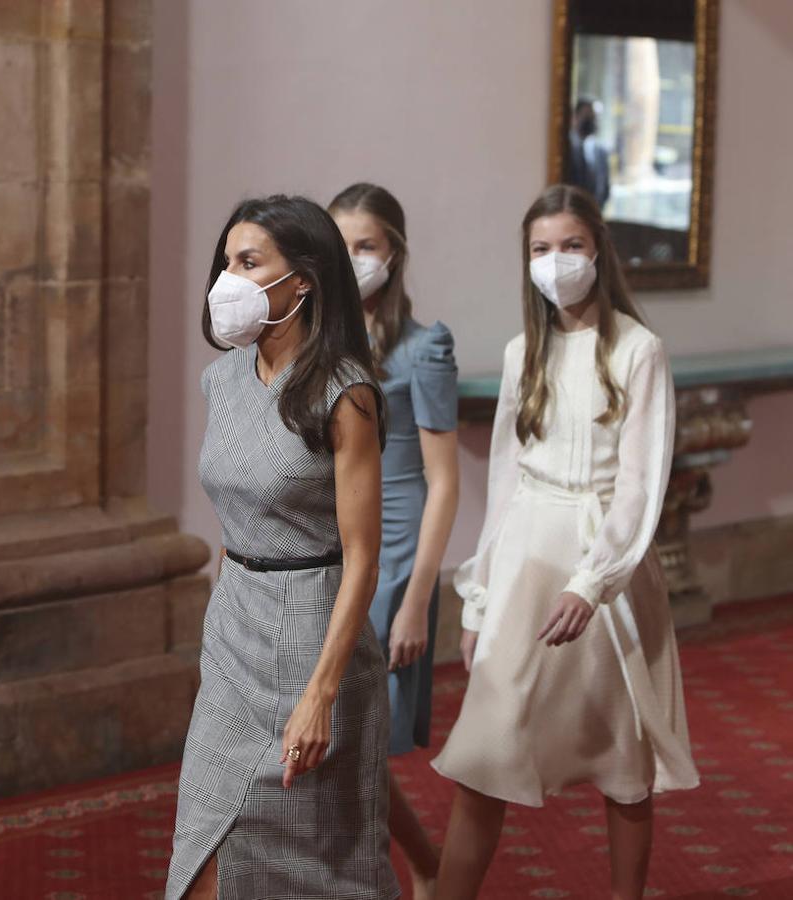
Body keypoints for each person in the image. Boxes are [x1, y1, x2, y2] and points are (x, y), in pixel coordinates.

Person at [431, 184, 699, 900]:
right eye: (540, 250)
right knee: (486, 749)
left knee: (621, 758)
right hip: (523, 563)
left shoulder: (640, 350)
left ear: (598, 251)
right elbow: (508, 486)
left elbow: (641, 484)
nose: (557, 262)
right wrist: (478, 600)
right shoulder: (526, 352)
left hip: (604, 571)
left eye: (571, 246)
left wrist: (592, 581)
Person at [166, 195, 399, 899]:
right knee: (203, 852)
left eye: (248, 262)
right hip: (236, 627)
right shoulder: (222, 378)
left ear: (302, 280)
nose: (227, 279)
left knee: (320, 863)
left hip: (314, 634)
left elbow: (362, 555)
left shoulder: (344, 394)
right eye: (226, 262)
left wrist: (320, 693)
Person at [329, 184, 459, 899]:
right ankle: (424, 865)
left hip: (396, 556)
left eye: (366, 246)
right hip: (333, 550)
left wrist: (417, 599)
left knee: (358, 747)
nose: (352, 262)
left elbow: (444, 483)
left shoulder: (423, 348)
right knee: (341, 744)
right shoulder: (322, 341)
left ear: (394, 254)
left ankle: (413, 869)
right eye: (339, 245)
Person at [569, 98, 612, 208]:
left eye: (594, 117)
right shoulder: (567, 149)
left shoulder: (601, 152)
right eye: (587, 116)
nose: (592, 121)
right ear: (576, 117)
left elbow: (605, 189)